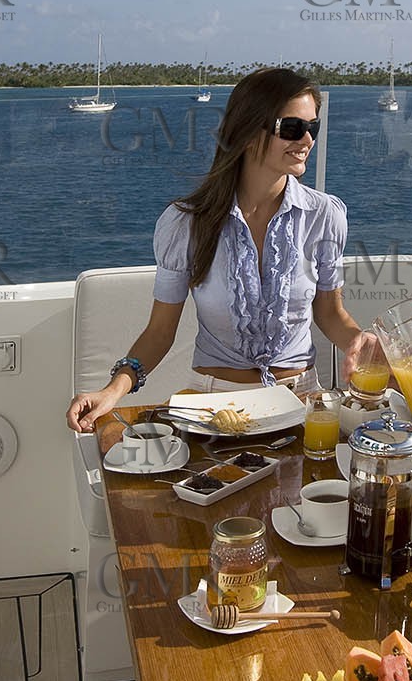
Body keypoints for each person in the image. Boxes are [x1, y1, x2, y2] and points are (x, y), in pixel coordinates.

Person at [67, 67, 374, 432]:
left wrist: (361, 343)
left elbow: (329, 313)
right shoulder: (185, 223)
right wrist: (113, 390)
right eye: (292, 128)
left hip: (303, 403)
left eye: (313, 127)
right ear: (246, 133)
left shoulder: (325, 216)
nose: (306, 139)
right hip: (213, 406)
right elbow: (160, 332)